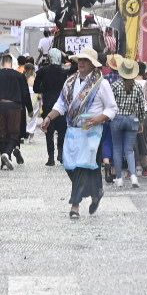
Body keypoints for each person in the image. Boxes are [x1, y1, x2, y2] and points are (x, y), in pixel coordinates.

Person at [39, 49, 117, 220]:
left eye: (85, 61)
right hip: (73, 130)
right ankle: (96, 191)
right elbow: (61, 103)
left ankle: (75, 205)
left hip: (91, 131)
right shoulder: (70, 82)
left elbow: (112, 108)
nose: (81, 63)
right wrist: (49, 117)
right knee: (70, 166)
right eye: (80, 60)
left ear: (92, 65)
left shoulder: (101, 84)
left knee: (82, 166)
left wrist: (98, 119)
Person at [0, 54, 32, 170]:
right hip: (14, 106)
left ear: (1, 63)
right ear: (11, 63)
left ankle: (3, 162)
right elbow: (25, 94)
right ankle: (7, 154)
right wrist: (29, 109)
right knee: (14, 133)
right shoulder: (19, 76)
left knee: (1, 134)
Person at [108, 57, 147, 188]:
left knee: (117, 149)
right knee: (129, 150)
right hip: (132, 119)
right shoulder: (137, 86)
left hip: (117, 119)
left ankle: (119, 178)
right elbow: (142, 107)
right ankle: (133, 177)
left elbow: (110, 104)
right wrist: (141, 121)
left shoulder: (115, 86)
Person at [32, 49, 69, 167]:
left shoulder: (42, 71)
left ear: (49, 58)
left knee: (49, 131)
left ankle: (51, 158)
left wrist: (45, 89)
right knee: (62, 131)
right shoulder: (64, 72)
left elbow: (35, 88)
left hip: (48, 104)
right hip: (61, 105)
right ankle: (61, 153)